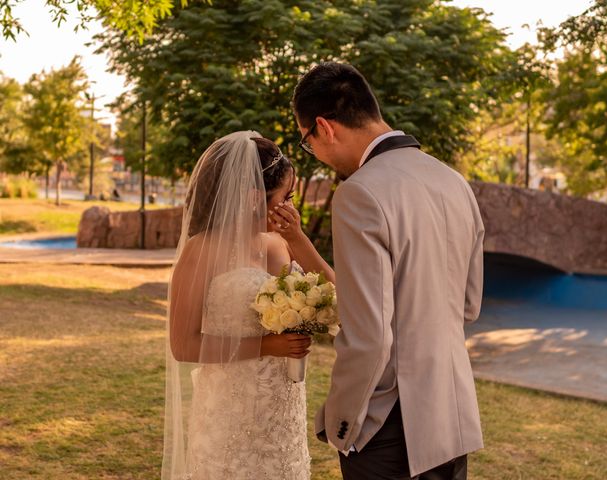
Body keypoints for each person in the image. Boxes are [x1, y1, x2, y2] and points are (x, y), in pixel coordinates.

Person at [292, 62, 485, 480]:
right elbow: (469, 307)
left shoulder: (359, 193)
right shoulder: (454, 182)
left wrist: (341, 422)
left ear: (323, 127)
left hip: (389, 426)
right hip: (451, 412)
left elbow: (371, 336)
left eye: (307, 142)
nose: (317, 154)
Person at [162, 131, 333, 480]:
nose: (290, 206)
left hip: (283, 408)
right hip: (230, 409)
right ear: (256, 197)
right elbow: (183, 345)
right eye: (286, 196)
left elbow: (334, 292)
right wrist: (267, 345)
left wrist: (298, 238)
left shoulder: (280, 243)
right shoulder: (202, 250)